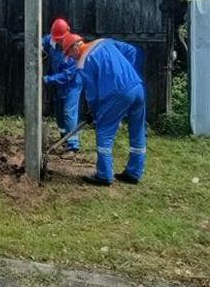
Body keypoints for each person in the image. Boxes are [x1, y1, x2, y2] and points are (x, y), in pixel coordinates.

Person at [60, 32, 147, 186]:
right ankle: (134, 172)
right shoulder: (105, 42)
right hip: (136, 87)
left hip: (116, 95)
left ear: (75, 47)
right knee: (137, 129)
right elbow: (131, 51)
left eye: (69, 54)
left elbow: (92, 93)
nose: (71, 58)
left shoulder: (83, 62)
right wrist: (127, 73)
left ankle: (104, 175)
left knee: (104, 132)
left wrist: (93, 112)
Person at [42, 33, 81, 152]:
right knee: (59, 112)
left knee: (69, 112)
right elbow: (44, 40)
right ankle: (63, 138)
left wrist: (48, 79)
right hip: (59, 85)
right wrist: (39, 46)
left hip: (72, 85)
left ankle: (73, 145)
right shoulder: (52, 39)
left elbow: (67, 75)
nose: (57, 42)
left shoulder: (73, 49)